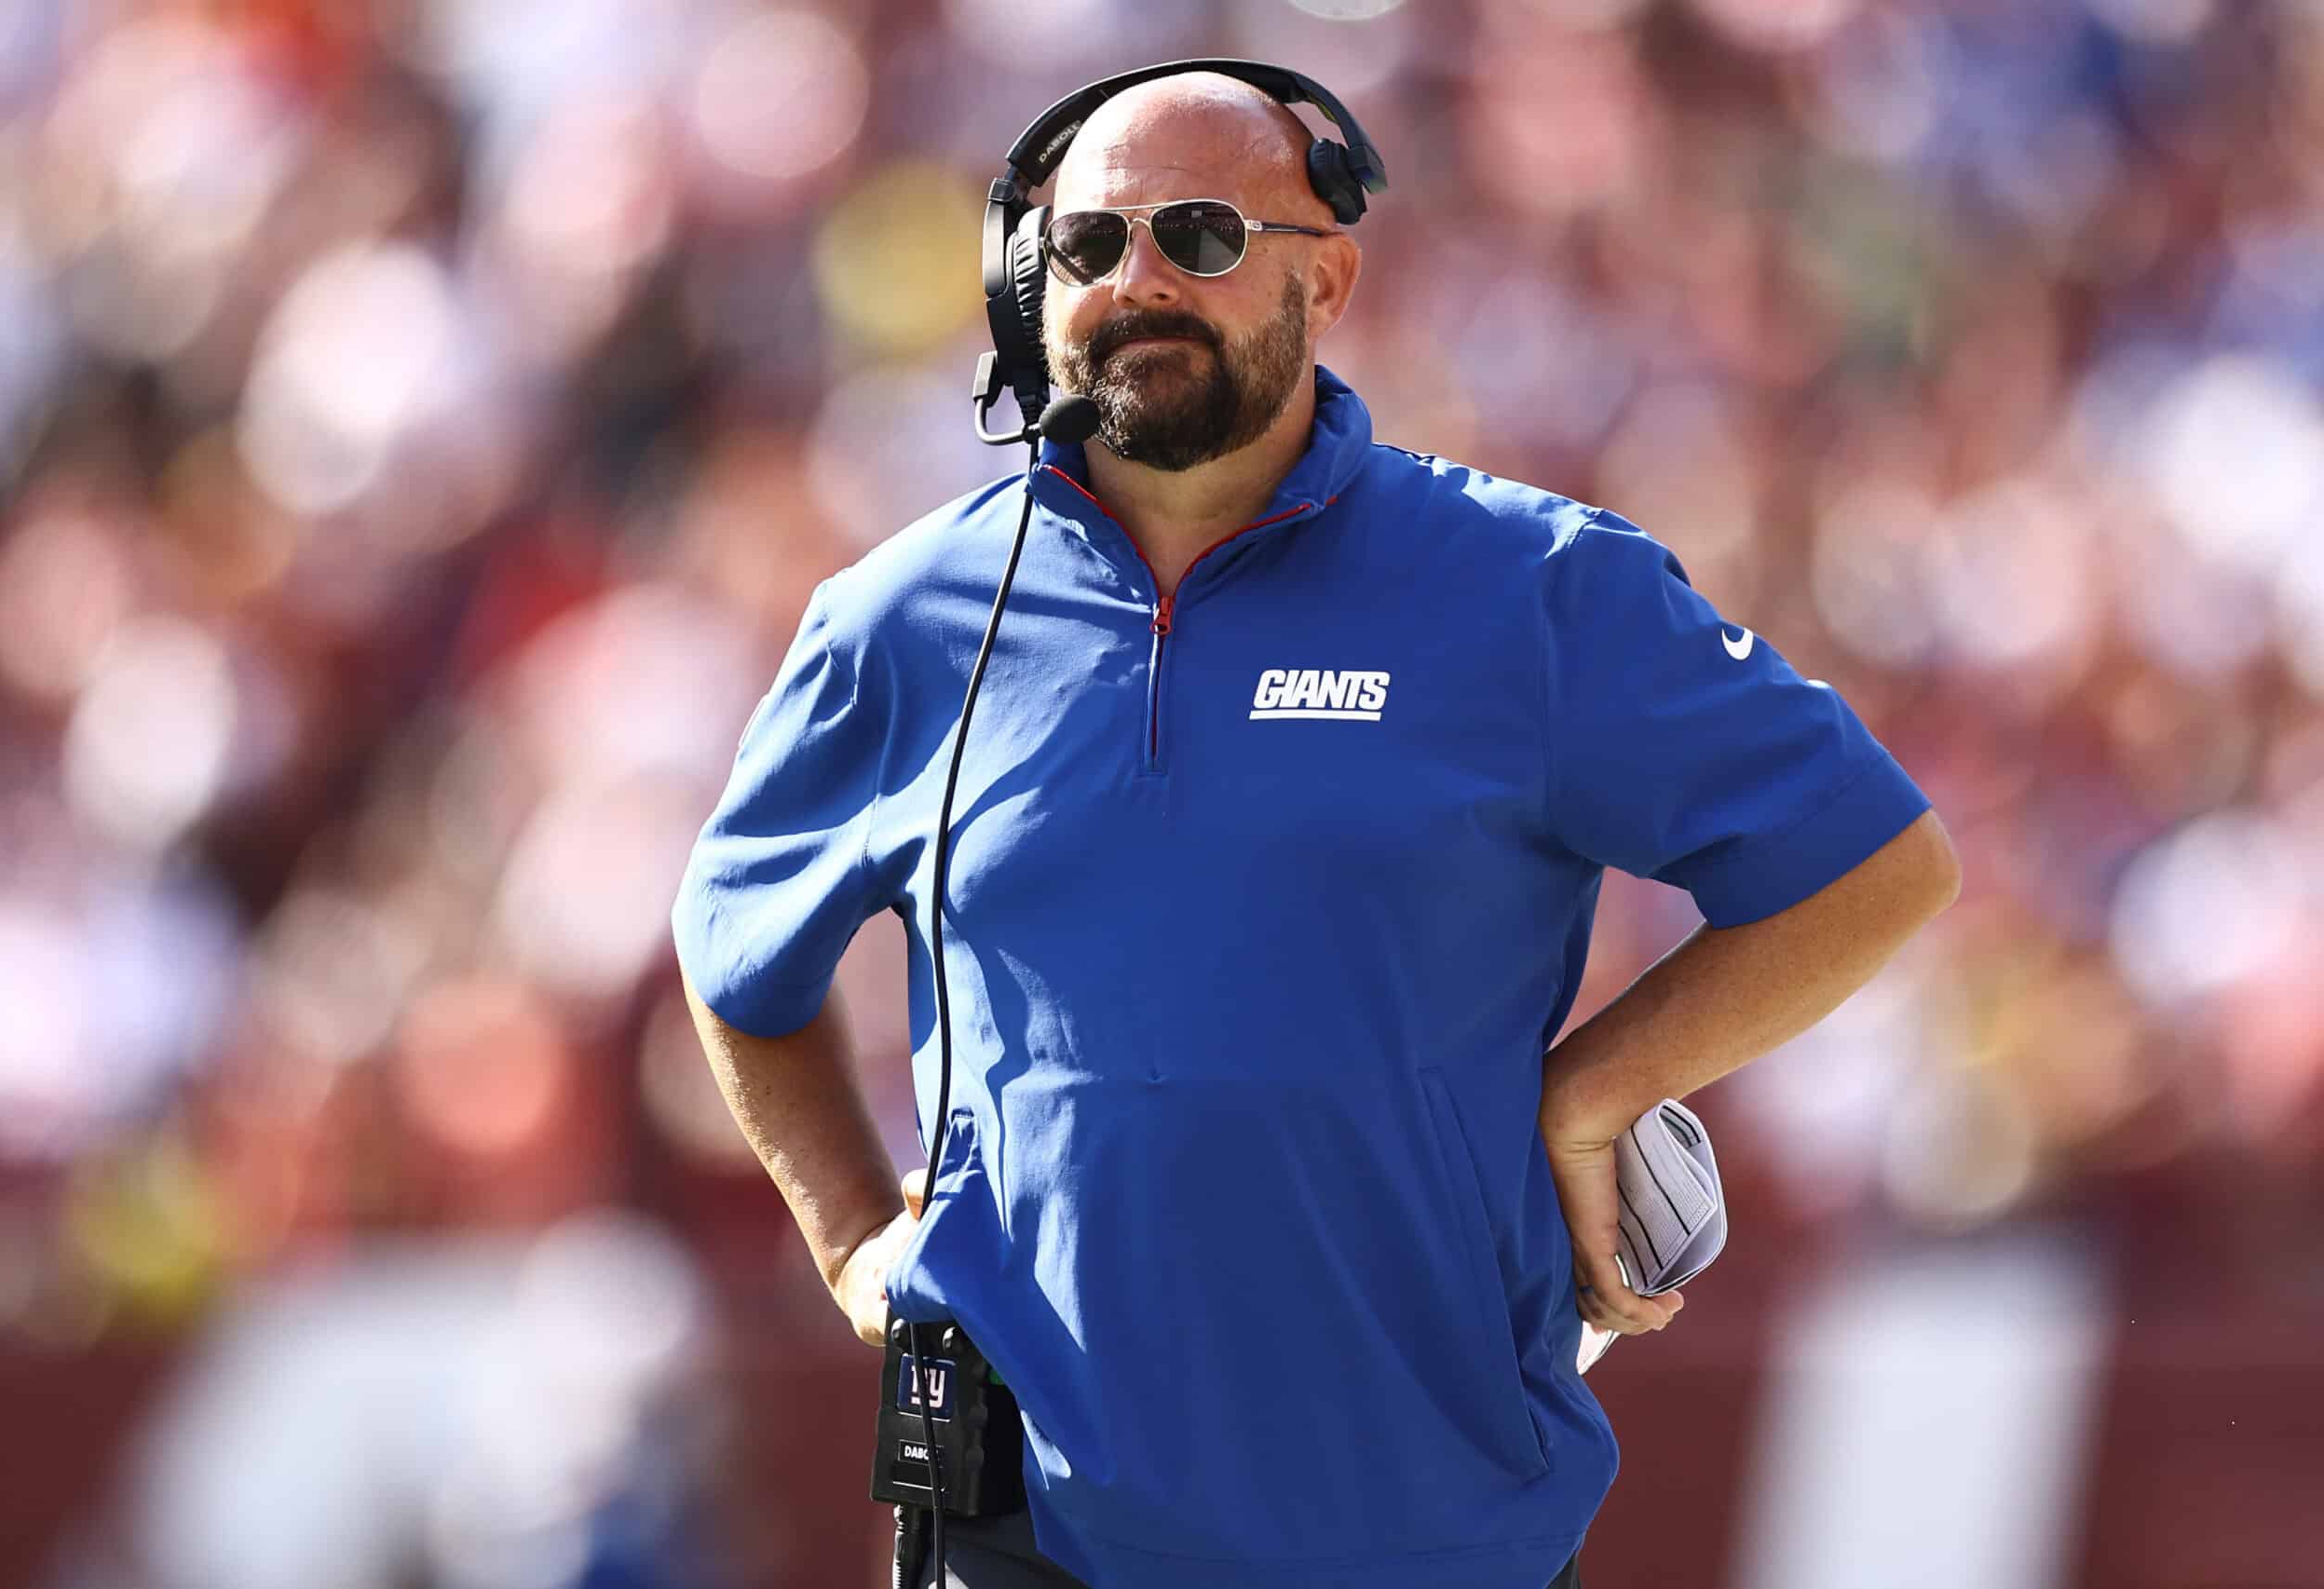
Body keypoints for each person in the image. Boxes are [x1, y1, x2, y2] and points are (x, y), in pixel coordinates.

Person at [671, 68, 1961, 1589]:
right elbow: (734, 946)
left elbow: (1875, 862)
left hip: (1423, 1530)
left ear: (1328, 275)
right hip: (1025, 1532)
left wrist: (1600, 1088)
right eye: (1087, 248)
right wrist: (845, 1237)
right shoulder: (904, 617)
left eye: (1201, 235)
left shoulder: (1529, 588)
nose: (1136, 282)